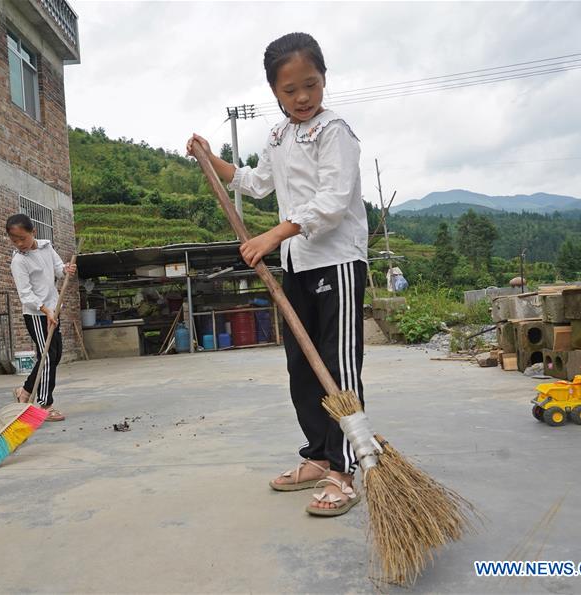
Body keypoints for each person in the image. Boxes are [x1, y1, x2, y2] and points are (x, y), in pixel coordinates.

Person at [187, 32, 368, 516]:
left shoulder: (335, 132)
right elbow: (256, 183)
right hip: (299, 265)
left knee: (338, 367)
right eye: (290, 91)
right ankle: (319, 454)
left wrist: (273, 236)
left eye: (311, 84)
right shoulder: (277, 136)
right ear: (274, 92)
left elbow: (332, 201)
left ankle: (346, 468)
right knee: (301, 367)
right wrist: (212, 158)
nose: (303, 97)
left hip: (338, 261)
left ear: (324, 79)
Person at [6, 214, 77, 421]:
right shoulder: (19, 261)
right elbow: (25, 294)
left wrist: (66, 269)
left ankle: (25, 391)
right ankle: (45, 404)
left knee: (55, 354)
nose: (20, 244)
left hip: (54, 309)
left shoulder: (46, 247)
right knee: (46, 356)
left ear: (33, 232)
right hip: (37, 314)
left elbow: (58, 270)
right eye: (14, 240)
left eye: (22, 238)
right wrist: (45, 310)